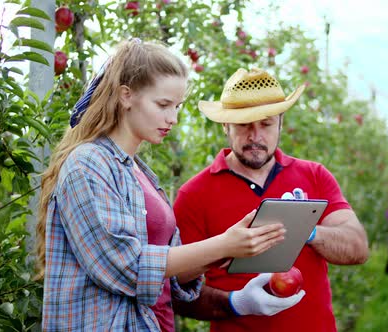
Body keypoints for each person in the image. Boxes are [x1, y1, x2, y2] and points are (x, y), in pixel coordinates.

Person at [34, 40, 289, 331]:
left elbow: (168, 277)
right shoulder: (88, 164)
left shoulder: (141, 173)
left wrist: (232, 250)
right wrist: (222, 243)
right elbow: (127, 268)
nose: (173, 118)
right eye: (163, 105)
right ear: (126, 96)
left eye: (177, 106)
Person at [172, 68, 369, 332]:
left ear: (281, 123)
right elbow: (175, 288)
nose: (255, 137)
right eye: (244, 125)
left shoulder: (314, 176)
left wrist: (304, 230)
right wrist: (235, 303)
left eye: (266, 124)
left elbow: (357, 248)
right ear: (225, 126)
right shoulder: (194, 194)